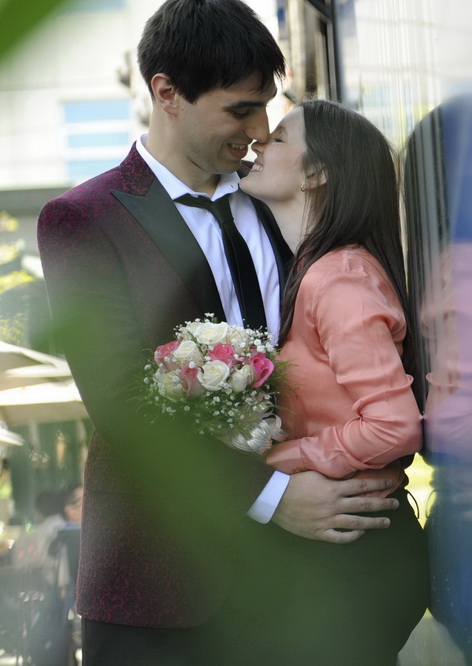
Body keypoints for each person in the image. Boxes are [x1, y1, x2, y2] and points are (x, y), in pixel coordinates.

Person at [36, 1, 401, 663]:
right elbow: (121, 402)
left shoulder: (280, 198)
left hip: (310, 579)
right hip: (165, 585)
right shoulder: (83, 219)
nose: (260, 131)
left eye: (268, 108)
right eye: (240, 110)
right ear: (166, 93)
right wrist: (272, 497)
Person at [237, 99, 430, 665]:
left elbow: (395, 426)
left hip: (358, 556)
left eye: (276, 139)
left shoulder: (337, 278)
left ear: (318, 172)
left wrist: (284, 458)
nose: (257, 146)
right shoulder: (318, 271)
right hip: (348, 546)